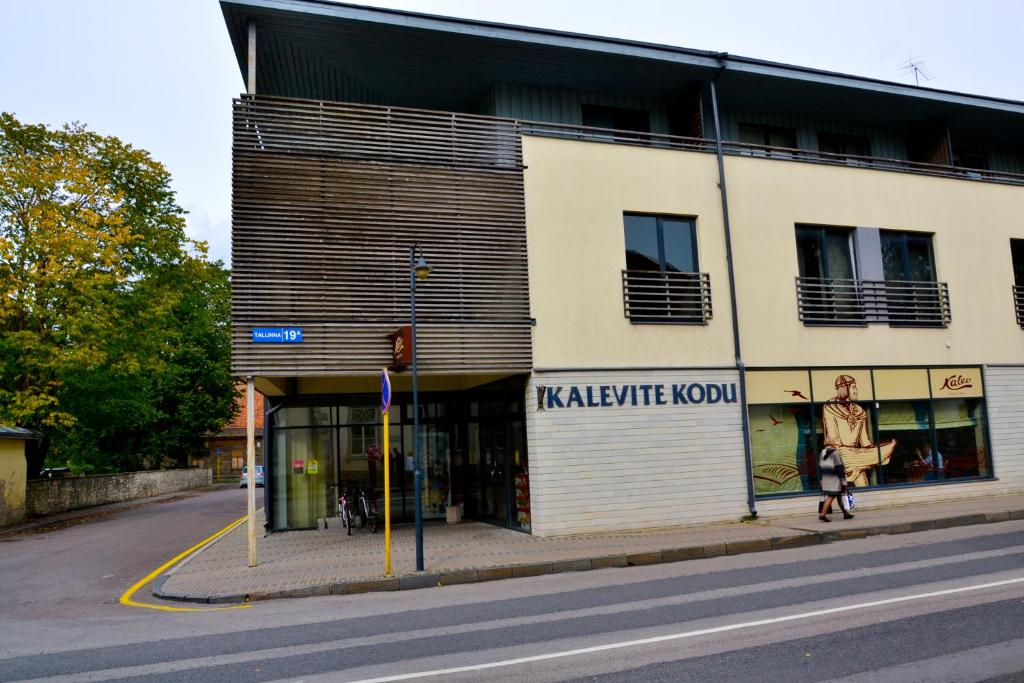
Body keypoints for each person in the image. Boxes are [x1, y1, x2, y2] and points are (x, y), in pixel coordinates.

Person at [822, 374, 896, 487]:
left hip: (857, 456)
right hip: (840, 454)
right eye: (853, 387)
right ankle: (862, 463)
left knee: (864, 487)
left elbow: (865, 442)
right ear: (844, 389)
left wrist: (876, 453)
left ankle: (862, 464)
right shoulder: (829, 408)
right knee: (844, 460)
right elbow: (833, 438)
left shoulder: (860, 411)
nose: (856, 391)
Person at [818, 446, 854, 522]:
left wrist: (821, 480)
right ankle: (823, 514)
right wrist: (844, 482)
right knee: (832, 496)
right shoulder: (835, 453)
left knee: (839, 496)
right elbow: (840, 468)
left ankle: (846, 513)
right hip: (835, 480)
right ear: (833, 444)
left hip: (826, 479)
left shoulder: (821, 454)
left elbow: (820, 468)